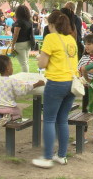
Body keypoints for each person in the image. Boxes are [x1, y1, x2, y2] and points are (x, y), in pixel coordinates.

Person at [32, 11, 78, 168]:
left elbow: (42, 64)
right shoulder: (71, 40)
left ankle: (46, 158)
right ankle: (62, 155)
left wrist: (40, 58)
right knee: (63, 120)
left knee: (49, 119)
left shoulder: (50, 38)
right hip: (71, 84)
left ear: (51, 25)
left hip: (56, 82)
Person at [0, 55, 45, 127]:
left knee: (2, 110)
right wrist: (36, 84)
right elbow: (22, 91)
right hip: (9, 108)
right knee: (19, 113)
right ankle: (8, 117)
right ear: (8, 69)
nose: (12, 68)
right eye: (11, 66)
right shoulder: (12, 81)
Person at [73, 34, 93, 145]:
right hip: (86, 88)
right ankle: (83, 135)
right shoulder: (84, 58)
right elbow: (78, 69)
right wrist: (82, 71)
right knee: (85, 111)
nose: (87, 46)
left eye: (89, 44)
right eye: (85, 44)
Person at [11, 5, 33, 73]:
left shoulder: (19, 21)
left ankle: (25, 79)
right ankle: (27, 77)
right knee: (26, 62)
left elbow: (16, 34)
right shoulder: (29, 21)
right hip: (28, 42)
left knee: (23, 64)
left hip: (20, 43)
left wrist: (12, 45)